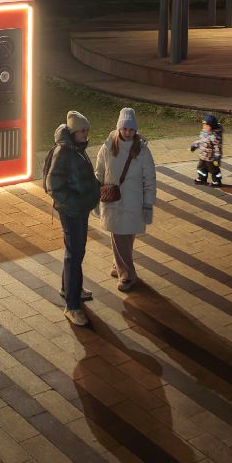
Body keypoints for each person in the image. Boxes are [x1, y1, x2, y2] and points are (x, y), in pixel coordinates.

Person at [44, 110, 101, 327]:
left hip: (79, 209)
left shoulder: (76, 149)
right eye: (82, 131)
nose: (86, 134)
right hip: (71, 211)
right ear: (72, 132)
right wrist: (74, 202)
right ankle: (72, 305)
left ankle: (69, 288)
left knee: (76, 251)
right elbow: (52, 186)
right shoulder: (64, 152)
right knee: (74, 254)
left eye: (87, 130)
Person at [95, 108, 157, 292]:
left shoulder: (142, 150)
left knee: (126, 237)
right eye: (125, 129)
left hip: (133, 202)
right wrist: (94, 197)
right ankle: (127, 274)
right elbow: (99, 172)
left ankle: (118, 265)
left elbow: (150, 178)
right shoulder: (107, 147)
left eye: (131, 129)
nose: (128, 133)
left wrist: (147, 204)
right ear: (119, 128)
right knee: (119, 235)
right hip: (113, 201)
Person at [191, 113, 223, 186]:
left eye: (207, 125)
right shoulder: (204, 132)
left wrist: (217, 157)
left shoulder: (213, 136)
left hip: (211, 158)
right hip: (203, 156)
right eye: (204, 125)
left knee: (214, 170)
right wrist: (194, 145)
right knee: (200, 168)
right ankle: (202, 178)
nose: (204, 126)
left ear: (211, 126)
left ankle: (217, 181)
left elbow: (217, 147)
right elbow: (199, 139)